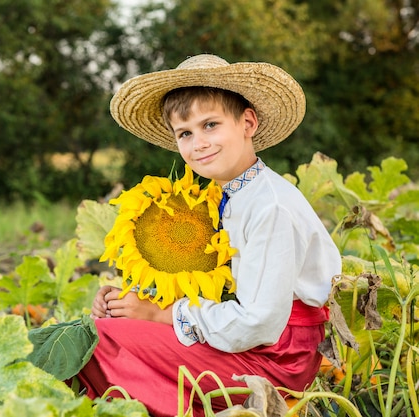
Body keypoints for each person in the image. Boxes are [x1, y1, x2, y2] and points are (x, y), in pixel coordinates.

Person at [74, 54, 342, 416]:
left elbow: (259, 322)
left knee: (96, 341)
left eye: (210, 125)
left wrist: (159, 315)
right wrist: (133, 302)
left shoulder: (271, 206)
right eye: (185, 133)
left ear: (248, 122)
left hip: (277, 359)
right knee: (101, 329)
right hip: (245, 341)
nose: (198, 143)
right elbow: (205, 283)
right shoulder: (220, 197)